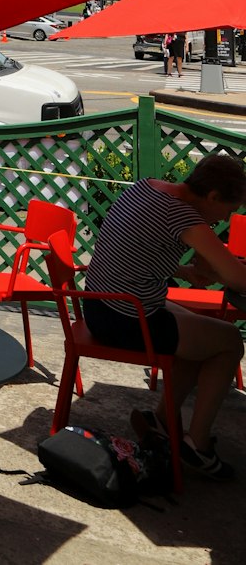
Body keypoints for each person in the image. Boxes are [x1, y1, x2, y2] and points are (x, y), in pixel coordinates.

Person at [83, 151, 246, 479]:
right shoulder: (183, 215)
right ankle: (197, 446)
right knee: (229, 342)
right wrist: (219, 267)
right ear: (213, 196)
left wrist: (187, 270)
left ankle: (160, 420)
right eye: (228, 210)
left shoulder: (147, 187)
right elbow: (238, 279)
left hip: (101, 303)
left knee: (204, 334)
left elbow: (137, 252)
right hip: (127, 318)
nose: (224, 220)